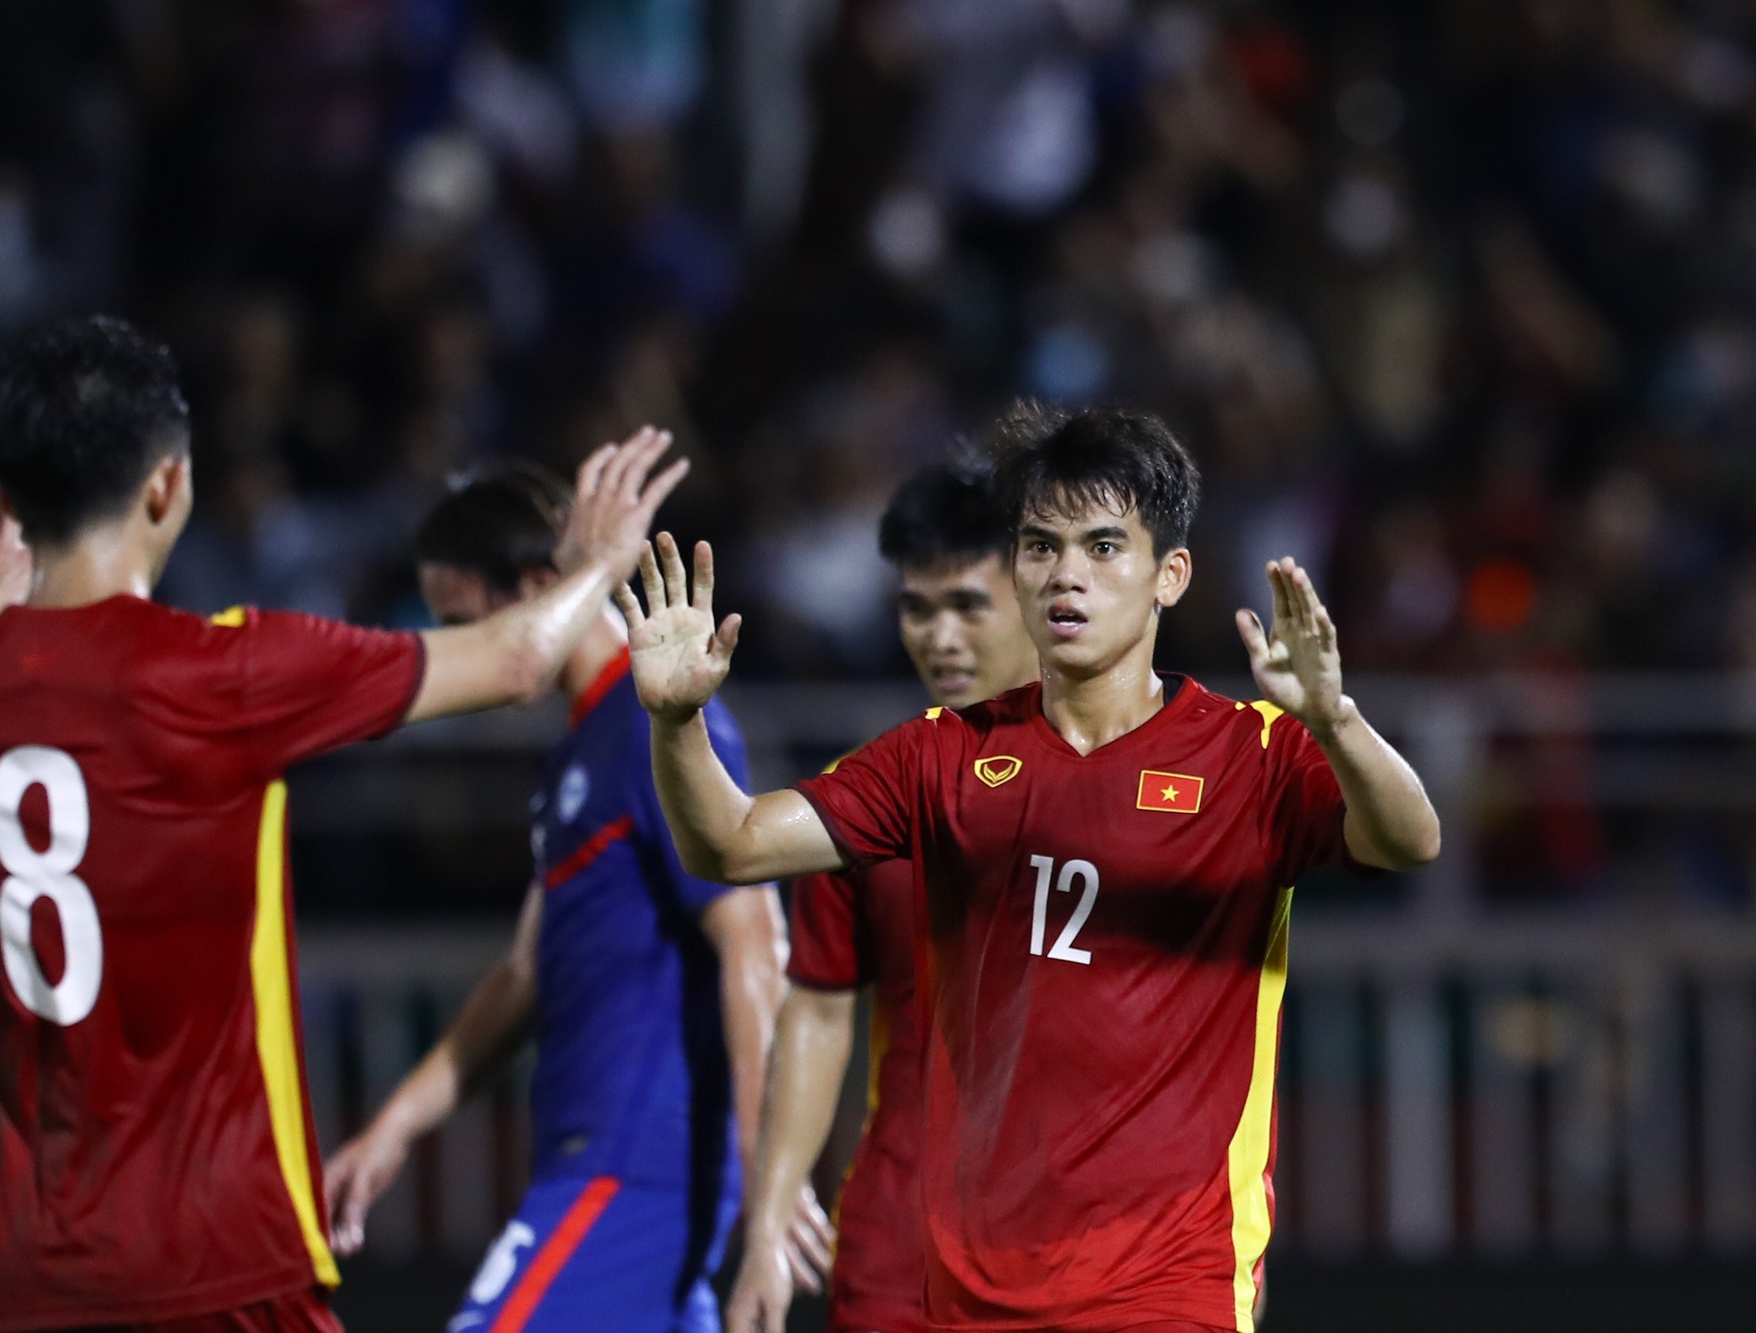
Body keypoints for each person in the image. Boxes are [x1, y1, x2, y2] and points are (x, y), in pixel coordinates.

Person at [0, 314, 687, 1333]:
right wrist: (594, 561)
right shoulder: (223, 668)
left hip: (27, 1281)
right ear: (166, 487)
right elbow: (513, 660)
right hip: (219, 1261)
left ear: (7, 499)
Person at [618, 404, 1442, 1333]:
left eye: (1102, 547)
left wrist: (1336, 722)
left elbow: (1410, 838)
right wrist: (677, 722)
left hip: (1171, 1283)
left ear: (1170, 576)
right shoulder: (941, 756)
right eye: (1041, 547)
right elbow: (727, 843)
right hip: (971, 1290)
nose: (1067, 575)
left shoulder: (1249, 755)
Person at [320, 464, 830, 1333]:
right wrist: (395, 1126)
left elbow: (752, 938)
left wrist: (767, 1172)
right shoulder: (578, 750)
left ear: (535, 590)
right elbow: (526, 974)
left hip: (637, 1164)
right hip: (600, 1162)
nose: (453, 656)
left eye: (459, 623)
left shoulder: (655, 725)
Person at [728, 460, 1038, 1333]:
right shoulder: (857, 802)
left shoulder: (1126, 788)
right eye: (917, 607)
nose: (939, 636)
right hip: (900, 1249)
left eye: (967, 605)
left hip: (1080, 1254)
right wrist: (768, 1217)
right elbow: (820, 1011)